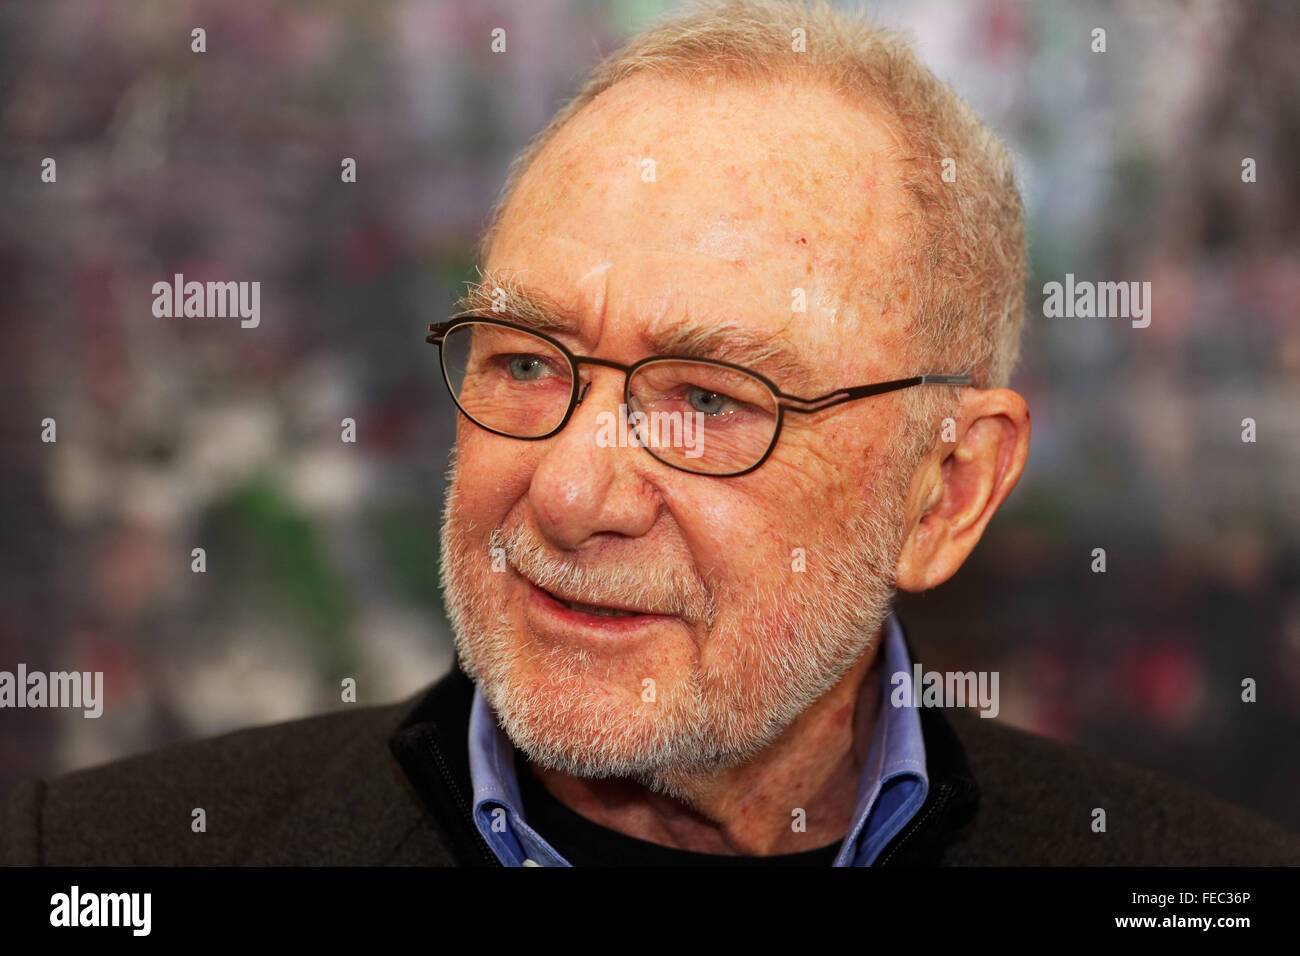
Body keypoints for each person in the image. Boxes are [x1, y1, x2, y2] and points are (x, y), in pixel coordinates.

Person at [4, 0, 1297, 867]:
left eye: (709, 399)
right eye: (524, 361)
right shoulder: (104, 862)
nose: (568, 493)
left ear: (946, 490)